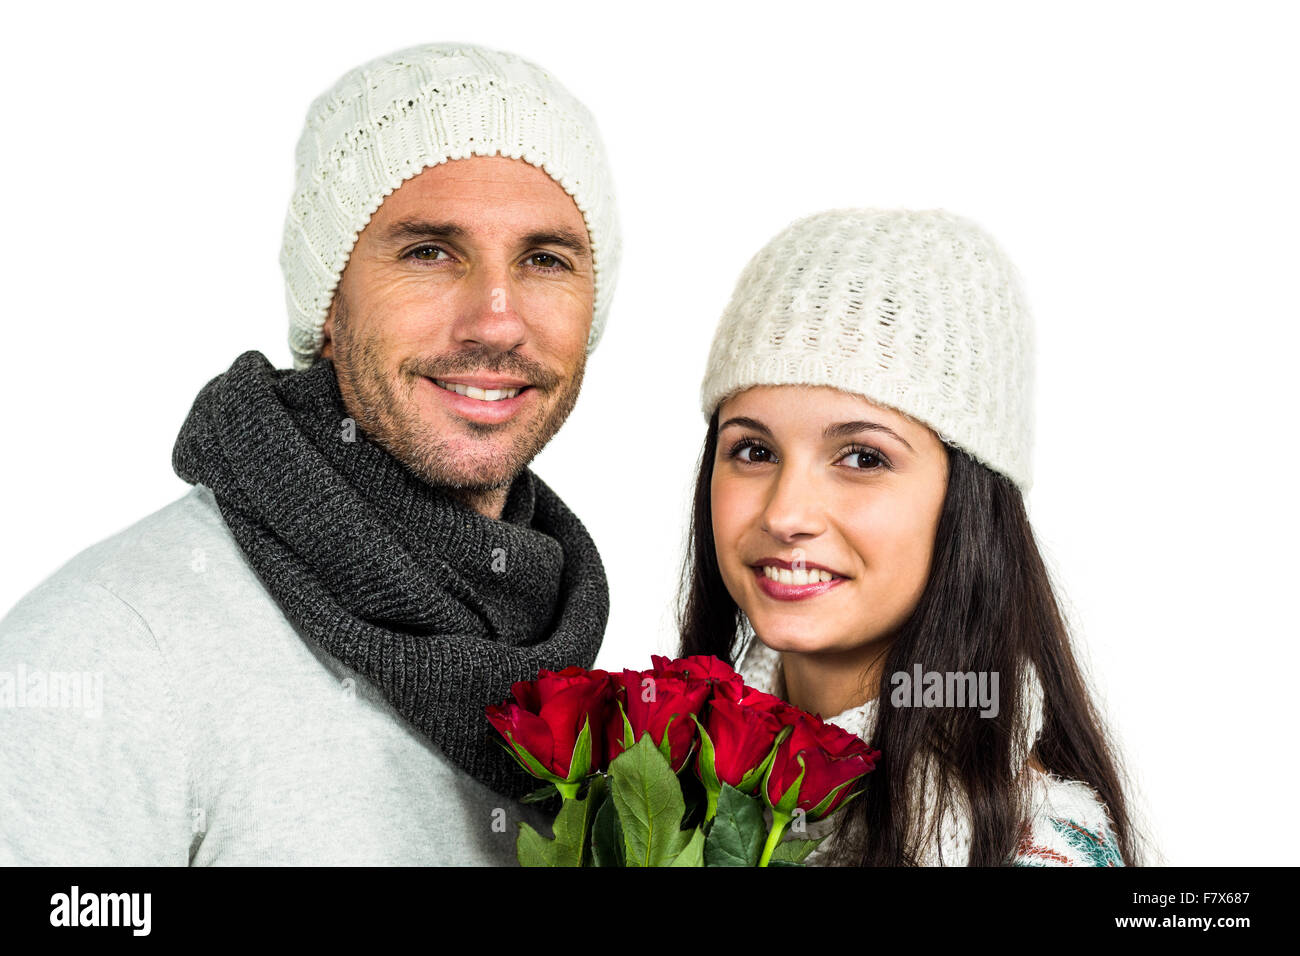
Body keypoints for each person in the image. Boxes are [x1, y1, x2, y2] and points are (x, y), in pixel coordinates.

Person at [0, 42, 620, 865]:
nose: (496, 321)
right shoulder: (110, 650)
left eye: (545, 260)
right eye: (429, 252)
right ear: (327, 304)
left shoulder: (572, 664)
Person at [678, 208, 1147, 866]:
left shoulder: (1037, 849)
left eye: (863, 458)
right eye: (754, 450)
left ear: (969, 503)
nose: (786, 513)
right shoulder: (662, 777)